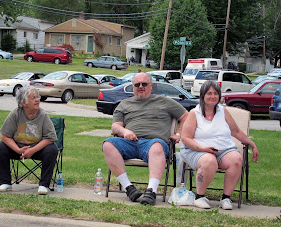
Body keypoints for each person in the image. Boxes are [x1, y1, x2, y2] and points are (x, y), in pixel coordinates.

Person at [102, 73, 188, 205]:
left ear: (151, 86)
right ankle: (129, 189)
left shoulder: (164, 101)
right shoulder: (124, 104)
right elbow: (115, 127)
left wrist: (178, 133)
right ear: (133, 87)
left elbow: (186, 116)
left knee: (157, 146)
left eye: (144, 84)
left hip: (154, 143)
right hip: (129, 143)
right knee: (108, 144)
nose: (140, 87)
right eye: (137, 84)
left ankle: (151, 191)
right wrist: (124, 131)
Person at [180, 80, 259, 210]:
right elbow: (186, 138)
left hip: (223, 149)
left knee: (236, 159)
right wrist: (203, 149)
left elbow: (236, 131)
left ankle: (226, 198)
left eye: (215, 93)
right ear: (202, 95)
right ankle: (199, 197)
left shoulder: (223, 111)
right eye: (209, 93)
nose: (212, 96)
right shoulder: (195, 113)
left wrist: (251, 144)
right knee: (209, 160)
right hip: (196, 150)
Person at [0, 87, 58, 195]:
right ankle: (5, 183)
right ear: (24, 102)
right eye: (33, 98)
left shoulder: (43, 115)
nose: (37, 100)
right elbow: (4, 136)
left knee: (52, 149)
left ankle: (44, 185)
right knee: (0, 147)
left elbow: (50, 138)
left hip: (37, 149)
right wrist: (18, 150)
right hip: (18, 148)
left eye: (37, 97)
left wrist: (32, 150)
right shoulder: (15, 114)